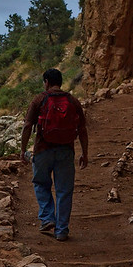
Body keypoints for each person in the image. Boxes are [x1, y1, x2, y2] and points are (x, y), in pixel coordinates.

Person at [19, 68, 88, 241]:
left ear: (47, 82)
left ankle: (48, 218)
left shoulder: (39, 99)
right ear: (61, 82)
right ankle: (62, 230)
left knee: (41, 183)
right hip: (66, 150)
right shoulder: (72, 100)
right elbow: (82, 129)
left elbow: (28, 125)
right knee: (64, 191)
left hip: (43, 150)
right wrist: (84, 153)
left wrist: (22, 149)